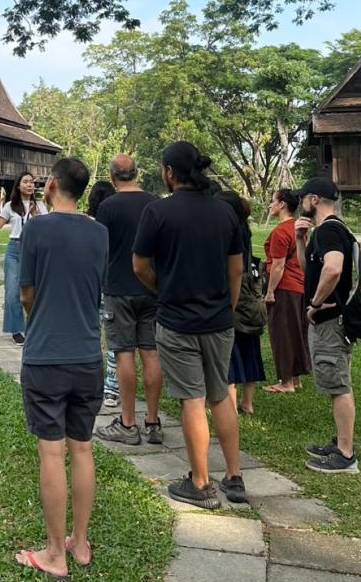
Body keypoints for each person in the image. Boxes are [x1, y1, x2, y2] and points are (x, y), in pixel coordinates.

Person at [132, 142, 247, 508]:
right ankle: (234, 476)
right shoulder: (225, 211)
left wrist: (162, 290)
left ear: (169, 172)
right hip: (219, 321)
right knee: (220, 394)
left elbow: (139, 266)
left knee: (193, 399)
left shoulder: (157, 211)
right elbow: (237, 269)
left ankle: (200, 483)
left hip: (177, 321)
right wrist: (227, 308)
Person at [14, 157, 108, 579]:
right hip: (88, 355)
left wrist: (38, 321)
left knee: (52, 452)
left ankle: (55, 553)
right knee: (82, 448)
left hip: (46, 355)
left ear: (51, 185)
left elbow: (26, 294)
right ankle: (80, 543)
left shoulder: (37, 229)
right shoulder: (100, 233)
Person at [93, 155, 163, 445]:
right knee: (151, 353)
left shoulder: (108, 207)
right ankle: (153, 421)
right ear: (138, 173)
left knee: (123, 354)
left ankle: (128, 422)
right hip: (151, 286)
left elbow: (100, 248)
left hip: (118, 288)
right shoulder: (155, 203)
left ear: (112, 178)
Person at [295, 176, 359, 474]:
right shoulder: (327, 230)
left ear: (314, 200)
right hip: (331, 319)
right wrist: (300, 240)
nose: (301, 203)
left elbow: (333, 269)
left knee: (338, 384)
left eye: (303, 198)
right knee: (336, 381)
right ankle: (342, 442)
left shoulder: (330, 231)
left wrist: (316, 303)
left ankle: (346, 455)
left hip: (330, 320)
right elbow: (310, 270)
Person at [217, 191, 267, 416]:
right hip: (251, 300)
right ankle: (248, 403)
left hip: (234, 299)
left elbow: (233, 269)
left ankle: (231, 405)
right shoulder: (245, 230)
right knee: (250, 352)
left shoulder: (228, 231)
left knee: (229, 355)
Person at [263, 188, 310, 394]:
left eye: (273, 201)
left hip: (284, 287)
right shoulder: (298, 228)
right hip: (300, 285)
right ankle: (296, 378)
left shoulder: (281, 232)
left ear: (282, 204)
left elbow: (278, 265)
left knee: (282, 333)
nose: (270, 205)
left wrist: (270, 291)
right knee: (296, 331)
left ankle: (286, 382)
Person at [0, 172, 47, 344]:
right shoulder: (10, 206)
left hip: (34, 250)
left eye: (32, 182)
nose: (30, 185)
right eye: (26, 182)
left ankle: (34, 327)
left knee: (35, 291)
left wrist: (36, 215)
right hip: (14, 250)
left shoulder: (40, 205)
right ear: (18, 186)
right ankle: (17, 329)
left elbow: (45, 230)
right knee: (12, 292)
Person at [87, 180, 121, 408]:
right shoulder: (118, 222)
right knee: (114, 341)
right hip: (113, 286)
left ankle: (92, 384)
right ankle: (112, 389)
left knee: (92, 336)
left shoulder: (89, 225)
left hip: (92, 286)